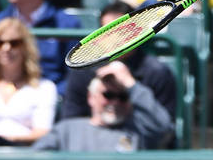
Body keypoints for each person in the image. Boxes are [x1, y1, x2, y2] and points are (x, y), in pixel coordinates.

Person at [60, 0, 178, 142]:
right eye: (108, 32)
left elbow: (166, 130)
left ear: (137, 33)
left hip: (142, 146)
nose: (115, 39)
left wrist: (131, 85)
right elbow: (70, 122)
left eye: (122, 31)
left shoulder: (157, 72)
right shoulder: (82, 72)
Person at [33, 60, 174, 152]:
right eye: (108, 95)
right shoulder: (67, 130)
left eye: (123, 97)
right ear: (91, 97)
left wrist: (130, 84)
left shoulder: (139, 132)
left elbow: (163, 126)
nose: (115, 102)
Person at [0, 17, 58, 146]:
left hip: (24, 153)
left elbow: (42, 132)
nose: (6, 48)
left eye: (14, 43)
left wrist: (7, 139)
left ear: (26, 48)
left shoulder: (44, 88)